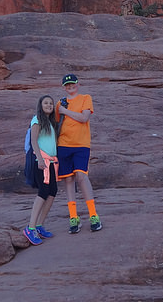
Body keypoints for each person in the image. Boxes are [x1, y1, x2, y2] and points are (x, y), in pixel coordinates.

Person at [55, 73, 102, 233]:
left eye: (72, 84)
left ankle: (93, 215)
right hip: (63, 144)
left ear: (78, 84)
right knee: (68, 179)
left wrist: (64, 111)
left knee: (81, 176)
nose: (70, 87)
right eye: (67, 85)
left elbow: (84, 118)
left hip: (81, 144)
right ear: (63, 87)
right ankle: (73, 217)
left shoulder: (85, 98)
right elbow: (54, 122)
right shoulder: (60, 103)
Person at [23, 94, 59, 245]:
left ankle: (39, 226)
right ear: (40, 105)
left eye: (51, 103)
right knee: (43, 192)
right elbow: (33, 140)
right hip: (41, 161)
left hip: (51, 162)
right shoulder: (37, 119)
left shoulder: (50, 123)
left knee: (52, 192)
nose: (49, 105)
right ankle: (30, 228)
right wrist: (39, 158)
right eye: (46, 103)